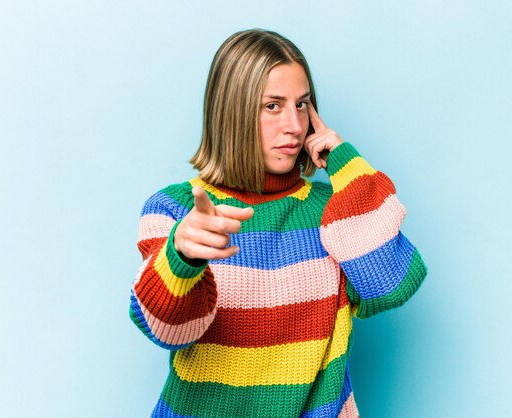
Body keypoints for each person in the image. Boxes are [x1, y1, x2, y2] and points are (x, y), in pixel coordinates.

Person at [129, 29, 427, 418]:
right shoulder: (175, 208)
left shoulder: (333, 210)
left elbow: (390, 285)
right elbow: (167, 331)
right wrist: (181, 256)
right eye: (273, 106)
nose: (294, 125)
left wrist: (346, 164)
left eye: (302, 105)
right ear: (231, 111)